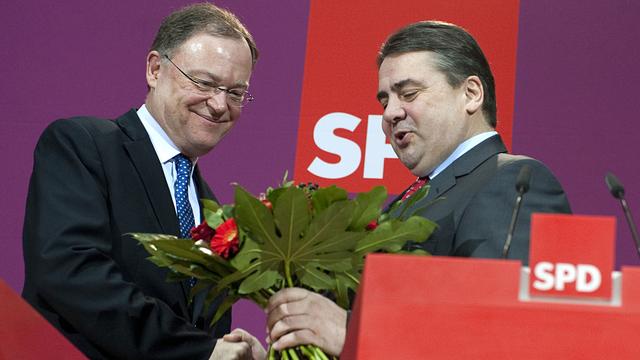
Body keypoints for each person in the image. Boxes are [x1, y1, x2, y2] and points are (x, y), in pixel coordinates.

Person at [266, 20, 571, 356]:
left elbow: (502, 334)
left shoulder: (512, 180)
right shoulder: (409, 201)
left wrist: (351, 331)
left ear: (470, 94)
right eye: (384, 101)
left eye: (408, 94)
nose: (390, 113)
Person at [22, 3, 265, 359]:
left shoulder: (213, 211)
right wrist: (200, 351)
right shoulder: (84, 145)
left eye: (235, 92)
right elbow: (71, 273)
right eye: (204, 82)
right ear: (155, 69)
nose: (218, 105)